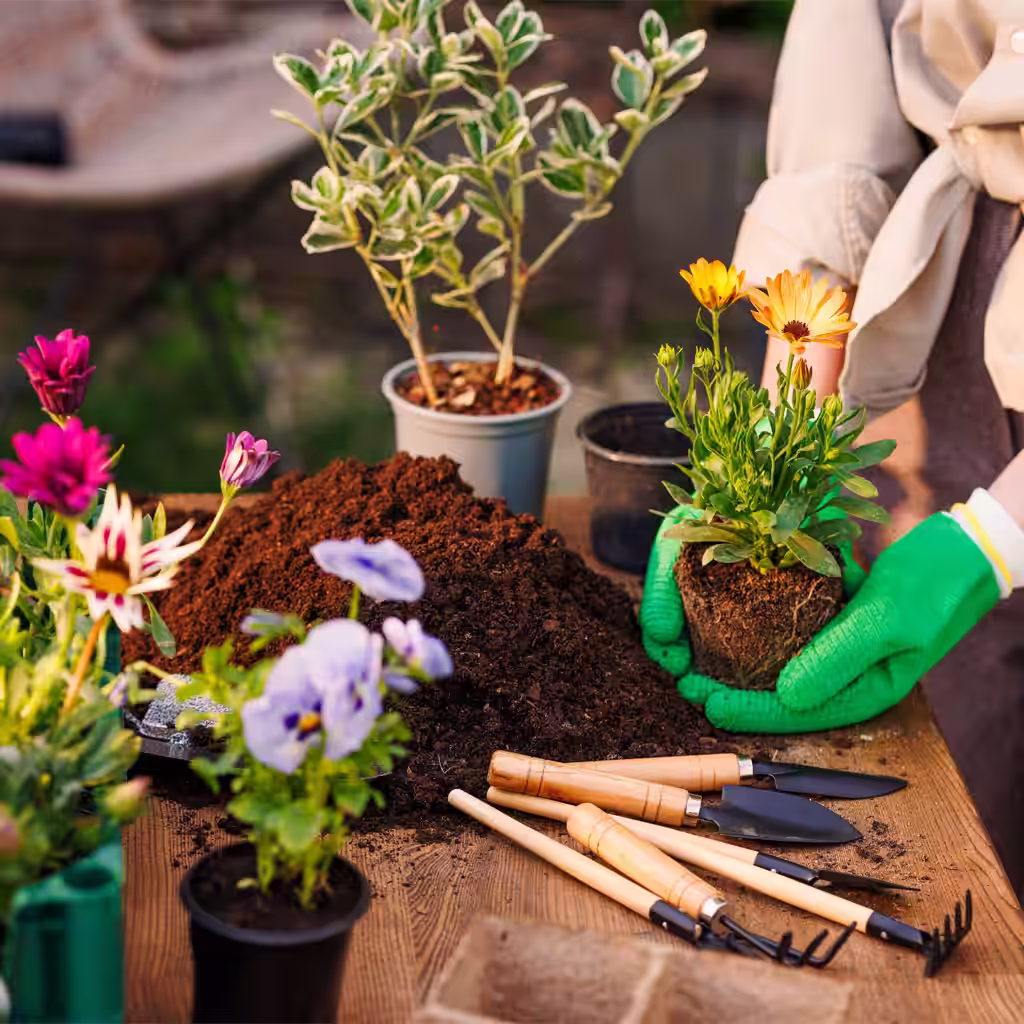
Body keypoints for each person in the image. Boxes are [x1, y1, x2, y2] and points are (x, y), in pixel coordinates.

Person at [643, 0, 1024, 894]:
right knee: (978, 737)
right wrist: (786, 427)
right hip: (984, 249)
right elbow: (851, 61)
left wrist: (989, 542)